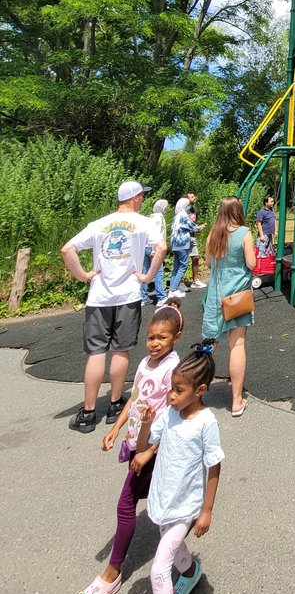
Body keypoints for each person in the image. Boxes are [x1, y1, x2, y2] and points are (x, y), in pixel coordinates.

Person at [68, 302, 183, 594]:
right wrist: (117, 428)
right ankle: (186, 568)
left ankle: (112, 573)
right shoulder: (146, 363)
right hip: (137, 443)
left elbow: (174, 418)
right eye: (150, 337)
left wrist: (149, 451)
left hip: (154, 449)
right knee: (164, 512)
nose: (155, 343)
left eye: (162, 337)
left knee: (129, 504)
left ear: (176, 337)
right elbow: (135, 398)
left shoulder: (174, 369)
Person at [61, 180, 166, 435]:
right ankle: (115, 404)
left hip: (98, 296)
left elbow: (67, 249)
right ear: (136, 198)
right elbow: (161, 247)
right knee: (121, 349)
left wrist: (84, 275)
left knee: (96, 352)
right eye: (141, 195)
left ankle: (87, 413)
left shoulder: (99, 225)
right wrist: (148, 276)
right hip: (128, 294)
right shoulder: (144, 223)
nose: (142, 199)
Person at [135, 342, 224, 594]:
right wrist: (147, 423)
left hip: (185, 505)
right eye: (172, 388)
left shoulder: (206, 423)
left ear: (199, 391)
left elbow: (214, 466)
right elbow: (142, 447)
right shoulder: (169, 414)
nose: (171, 396)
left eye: (178, 390)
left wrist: (206, 510)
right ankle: (190, 572)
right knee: (173, 550)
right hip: (163, 499)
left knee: (159, 568)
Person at [201, 196, 257, 416]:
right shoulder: (244, 233)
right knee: (237, 344)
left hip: (215, 296)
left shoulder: (213, 233)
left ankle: (195, 394)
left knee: (209, 345)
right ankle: (236, 401)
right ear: (238, 211)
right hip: (237, 297)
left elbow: (208, 262)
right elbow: (251, 263)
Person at [167, 197, 204, 298]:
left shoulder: (176, 216)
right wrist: (200, 227)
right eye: (187, 205)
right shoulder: (183, 215)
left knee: (176, 266)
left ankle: (172, 288)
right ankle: (173, 289)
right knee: (183, 265)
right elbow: (193, 227)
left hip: (175, 244)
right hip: (182, 244)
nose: (189, 207)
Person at [141, 199, 169, 307]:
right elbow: (156, 234)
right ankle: (161, 297)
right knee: (158, 271)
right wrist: (154, 250)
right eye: (165, 207)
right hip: (154, 247)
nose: (166, 209)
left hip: (146, 247)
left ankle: (143, 297)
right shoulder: (159, 217)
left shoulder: (150, 217)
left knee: (145, 271)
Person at [186, 192, 207, 290]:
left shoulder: (194, 209)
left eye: (194, 196)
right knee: (183, 260)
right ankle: (179, 282)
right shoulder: (183, 210)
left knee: (195, 258)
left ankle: (195, 280)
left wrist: (198, 228)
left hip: (192, 236)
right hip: (184, 237)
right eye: (192, 197)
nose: (194, 198)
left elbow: (194, 224)